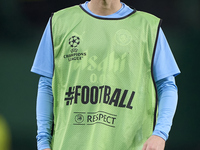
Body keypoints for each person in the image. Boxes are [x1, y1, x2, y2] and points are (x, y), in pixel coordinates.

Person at [31, 0, 180, 150]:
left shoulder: (148, 27)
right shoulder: (59, 22)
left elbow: (167, 86)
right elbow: (46, 85)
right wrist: (43, 142)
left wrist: (160, 134)